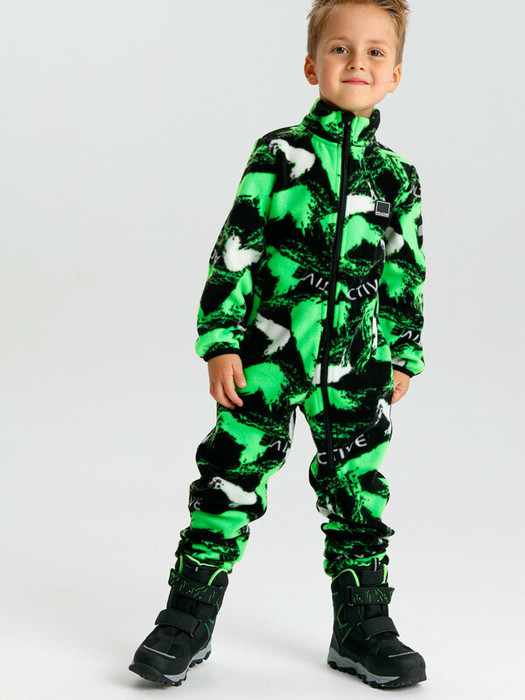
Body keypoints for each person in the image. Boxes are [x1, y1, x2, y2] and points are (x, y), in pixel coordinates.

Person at [129, 0, 427, 690]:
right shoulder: (277, 154)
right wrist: (221, 340)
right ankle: (186, 618)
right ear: (311, 65)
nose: (357, 62)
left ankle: (363, 626)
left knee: (357, 493)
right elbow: (236, 247)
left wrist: (401, 353)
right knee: (227, 481)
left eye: (375, 52)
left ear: (394, 75)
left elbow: (404, 271)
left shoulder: (397, 177)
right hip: (265, 360)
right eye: (340, 48)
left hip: (355, 366)